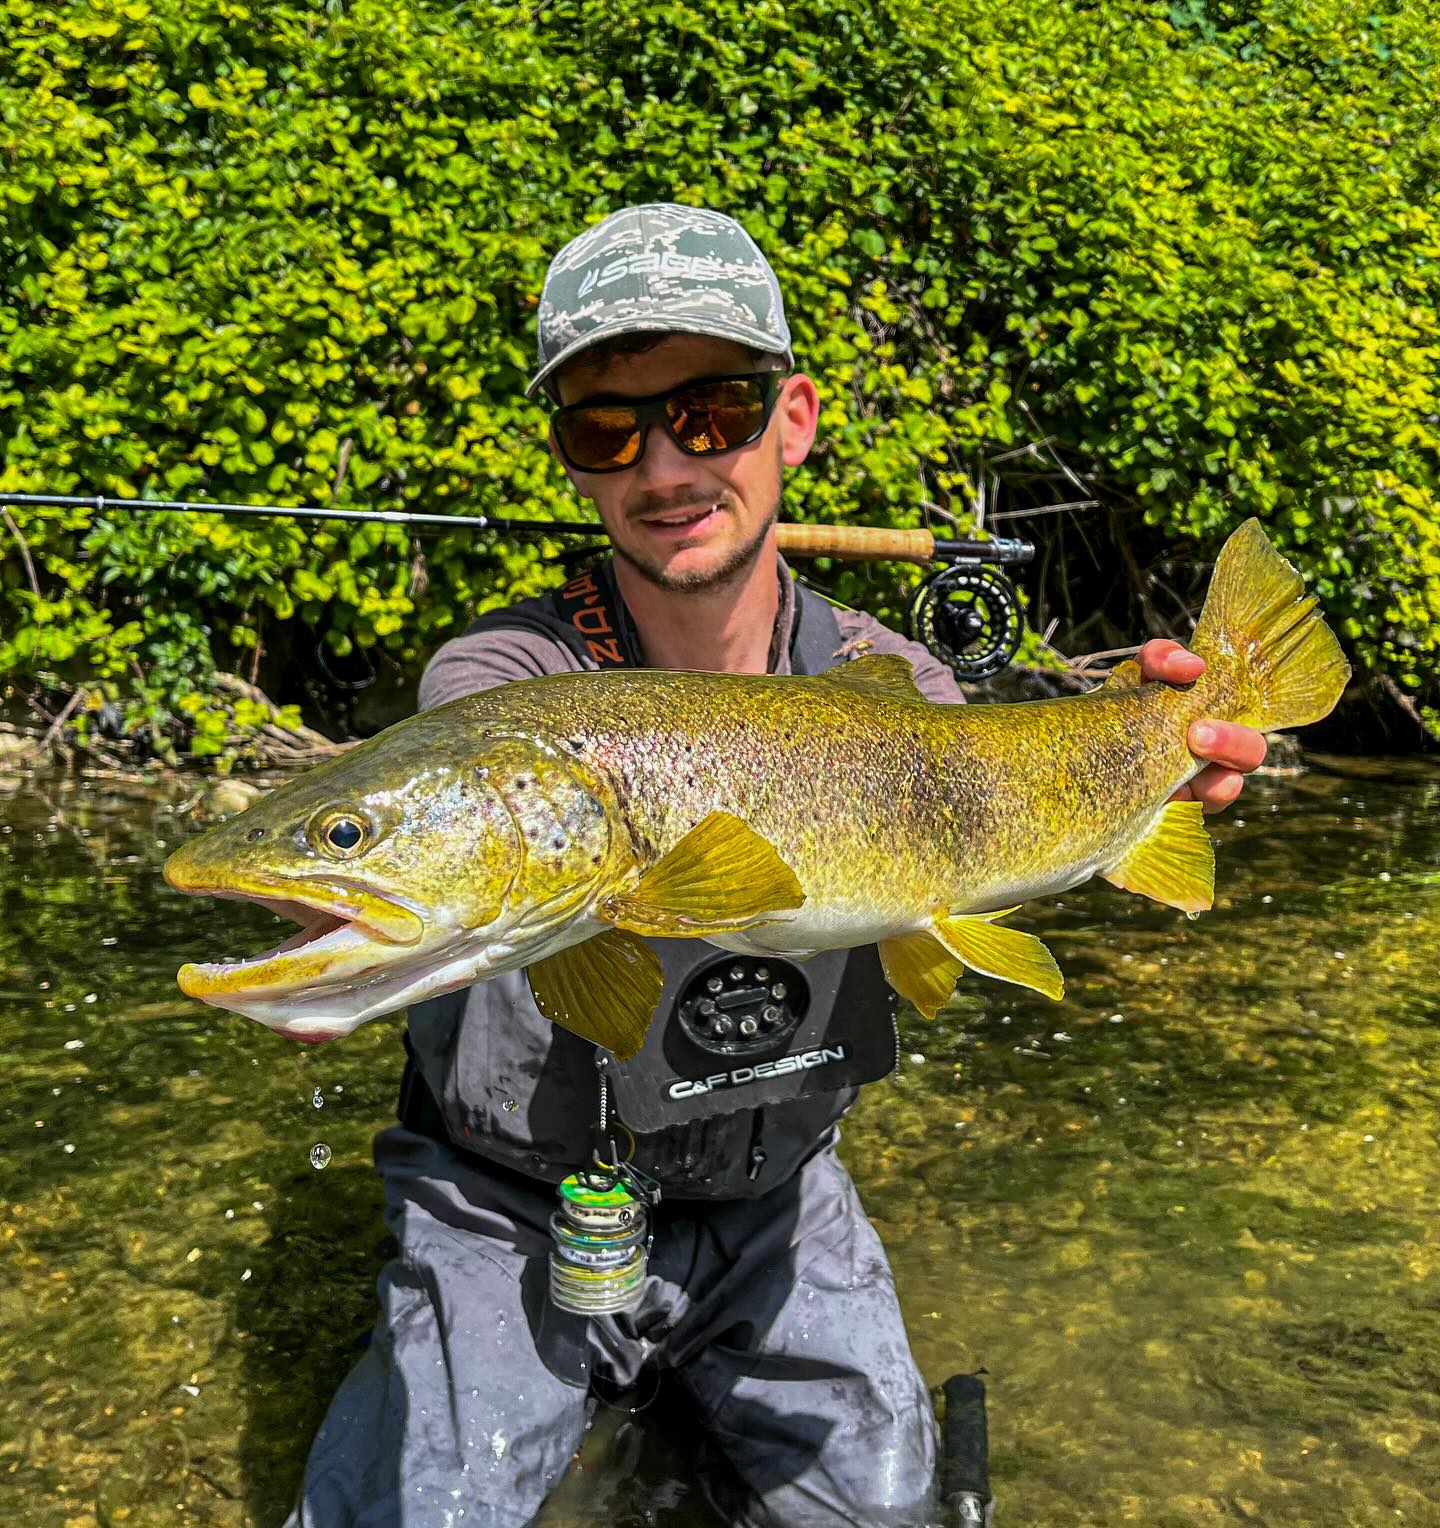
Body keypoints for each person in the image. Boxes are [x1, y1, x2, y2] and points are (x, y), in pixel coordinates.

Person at [283, 204, 1266, 1528]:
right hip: (510, 1210)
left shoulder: (896, 687)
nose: (664, 464)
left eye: (712, 411)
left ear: (792, 419)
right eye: (605, 427)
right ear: (572, 460)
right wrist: (339, 968)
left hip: (774, 1201)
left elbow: (979, 868)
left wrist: (1156, 753)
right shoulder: (500, 687)